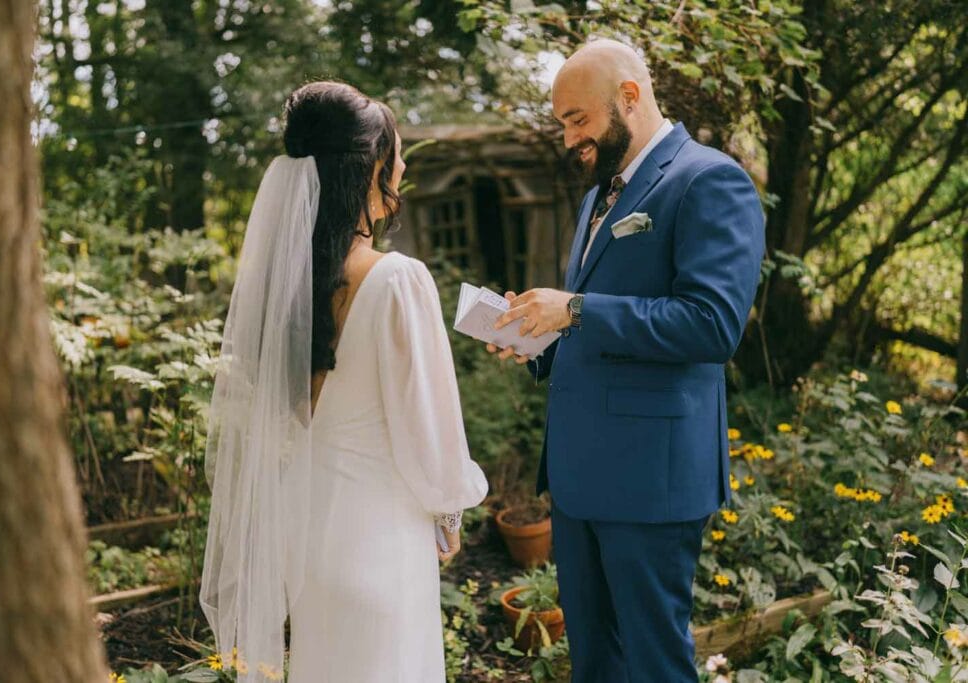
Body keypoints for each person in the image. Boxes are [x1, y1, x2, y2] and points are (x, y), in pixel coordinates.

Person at [488, 39, 765, 681]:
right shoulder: (596, 198)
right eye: (562, 123)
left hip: (651, 479)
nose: (568, 138)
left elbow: (712, 325)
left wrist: (578, 308)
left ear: (630, 97)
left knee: (654, 660)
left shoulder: (709, 179)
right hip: (580, 475)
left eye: (577, 119)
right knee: (594, 660)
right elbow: (592, 320)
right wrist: (537, 336)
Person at [200, 81, 488, 683]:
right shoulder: (396, 281)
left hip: (314, 541)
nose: (404, 166)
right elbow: (428, 425)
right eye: (396, 155)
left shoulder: (289, 295)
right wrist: (450, 514)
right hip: (383, 542)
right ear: (369, 171)